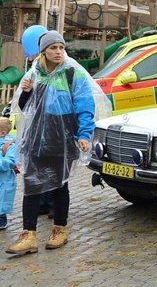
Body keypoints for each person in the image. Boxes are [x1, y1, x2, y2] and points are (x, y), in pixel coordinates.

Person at [5, 31, 111, 256]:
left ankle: (59, 229)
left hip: (62, 137)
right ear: (43, 52)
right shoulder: (34, 74)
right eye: (53, 48)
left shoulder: (73, 73)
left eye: (61, 48)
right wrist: (25, 93)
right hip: (36, 139)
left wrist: (84, 135)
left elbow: (85, 107)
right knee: (31, 186)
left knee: (60, 185)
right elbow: (24, 109)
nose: (58, 52)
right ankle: (28, 235)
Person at [0, 116, 16, 231]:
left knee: (2, 200)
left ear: (2, 133)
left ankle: (2, 220)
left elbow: (11, 161)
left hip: (5, 179)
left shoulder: (10, 145)